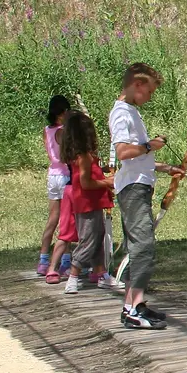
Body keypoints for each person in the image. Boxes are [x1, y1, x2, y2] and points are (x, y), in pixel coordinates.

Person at [110, 62, 183, 330]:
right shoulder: (121, 113)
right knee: (143, 247)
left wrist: (165, 167)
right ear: (137, 85)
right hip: (132, 189)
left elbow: (137, 159)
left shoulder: (130, 111)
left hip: (138, 184)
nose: (149, 97)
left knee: (137, 248)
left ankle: (134, 305)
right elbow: (123, 153)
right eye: (149, 92)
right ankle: (132, 308)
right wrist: (150, 145)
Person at [58, 109, 116, 295]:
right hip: (86, 203)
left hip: (92, 202)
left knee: (98, 237)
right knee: (89, 240)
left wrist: (104, 173)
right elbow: (85, 183)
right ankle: (73, 275)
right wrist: (107, 182)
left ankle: (101, 273)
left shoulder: (86, 156)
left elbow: (91, 175)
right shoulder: (83, 157)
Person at [37, 95, 71, 277]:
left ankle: (43, 259)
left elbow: (50, 153)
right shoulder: (63, 131)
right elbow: (67, 156)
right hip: (65, 176)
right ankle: (65, 261)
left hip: (53, 175)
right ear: (63, 112)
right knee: (66, 221)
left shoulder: (46, 130)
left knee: (52, 219)